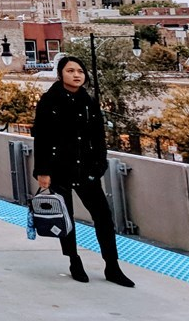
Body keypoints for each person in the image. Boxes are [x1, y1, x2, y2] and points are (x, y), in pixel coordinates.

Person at [32, 54, 134, 287]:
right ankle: (74, 261)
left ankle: (112, 266)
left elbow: (99, 136)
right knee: (65, 218)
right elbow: (42, 137)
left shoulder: (89, 102)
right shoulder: (49, 101)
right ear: (60, 74)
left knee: (103, 217)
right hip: (59, 169)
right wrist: (43, 171)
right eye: (70, 71)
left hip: (86, 169)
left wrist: (99, 164)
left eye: (80, 71)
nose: (77, 75)